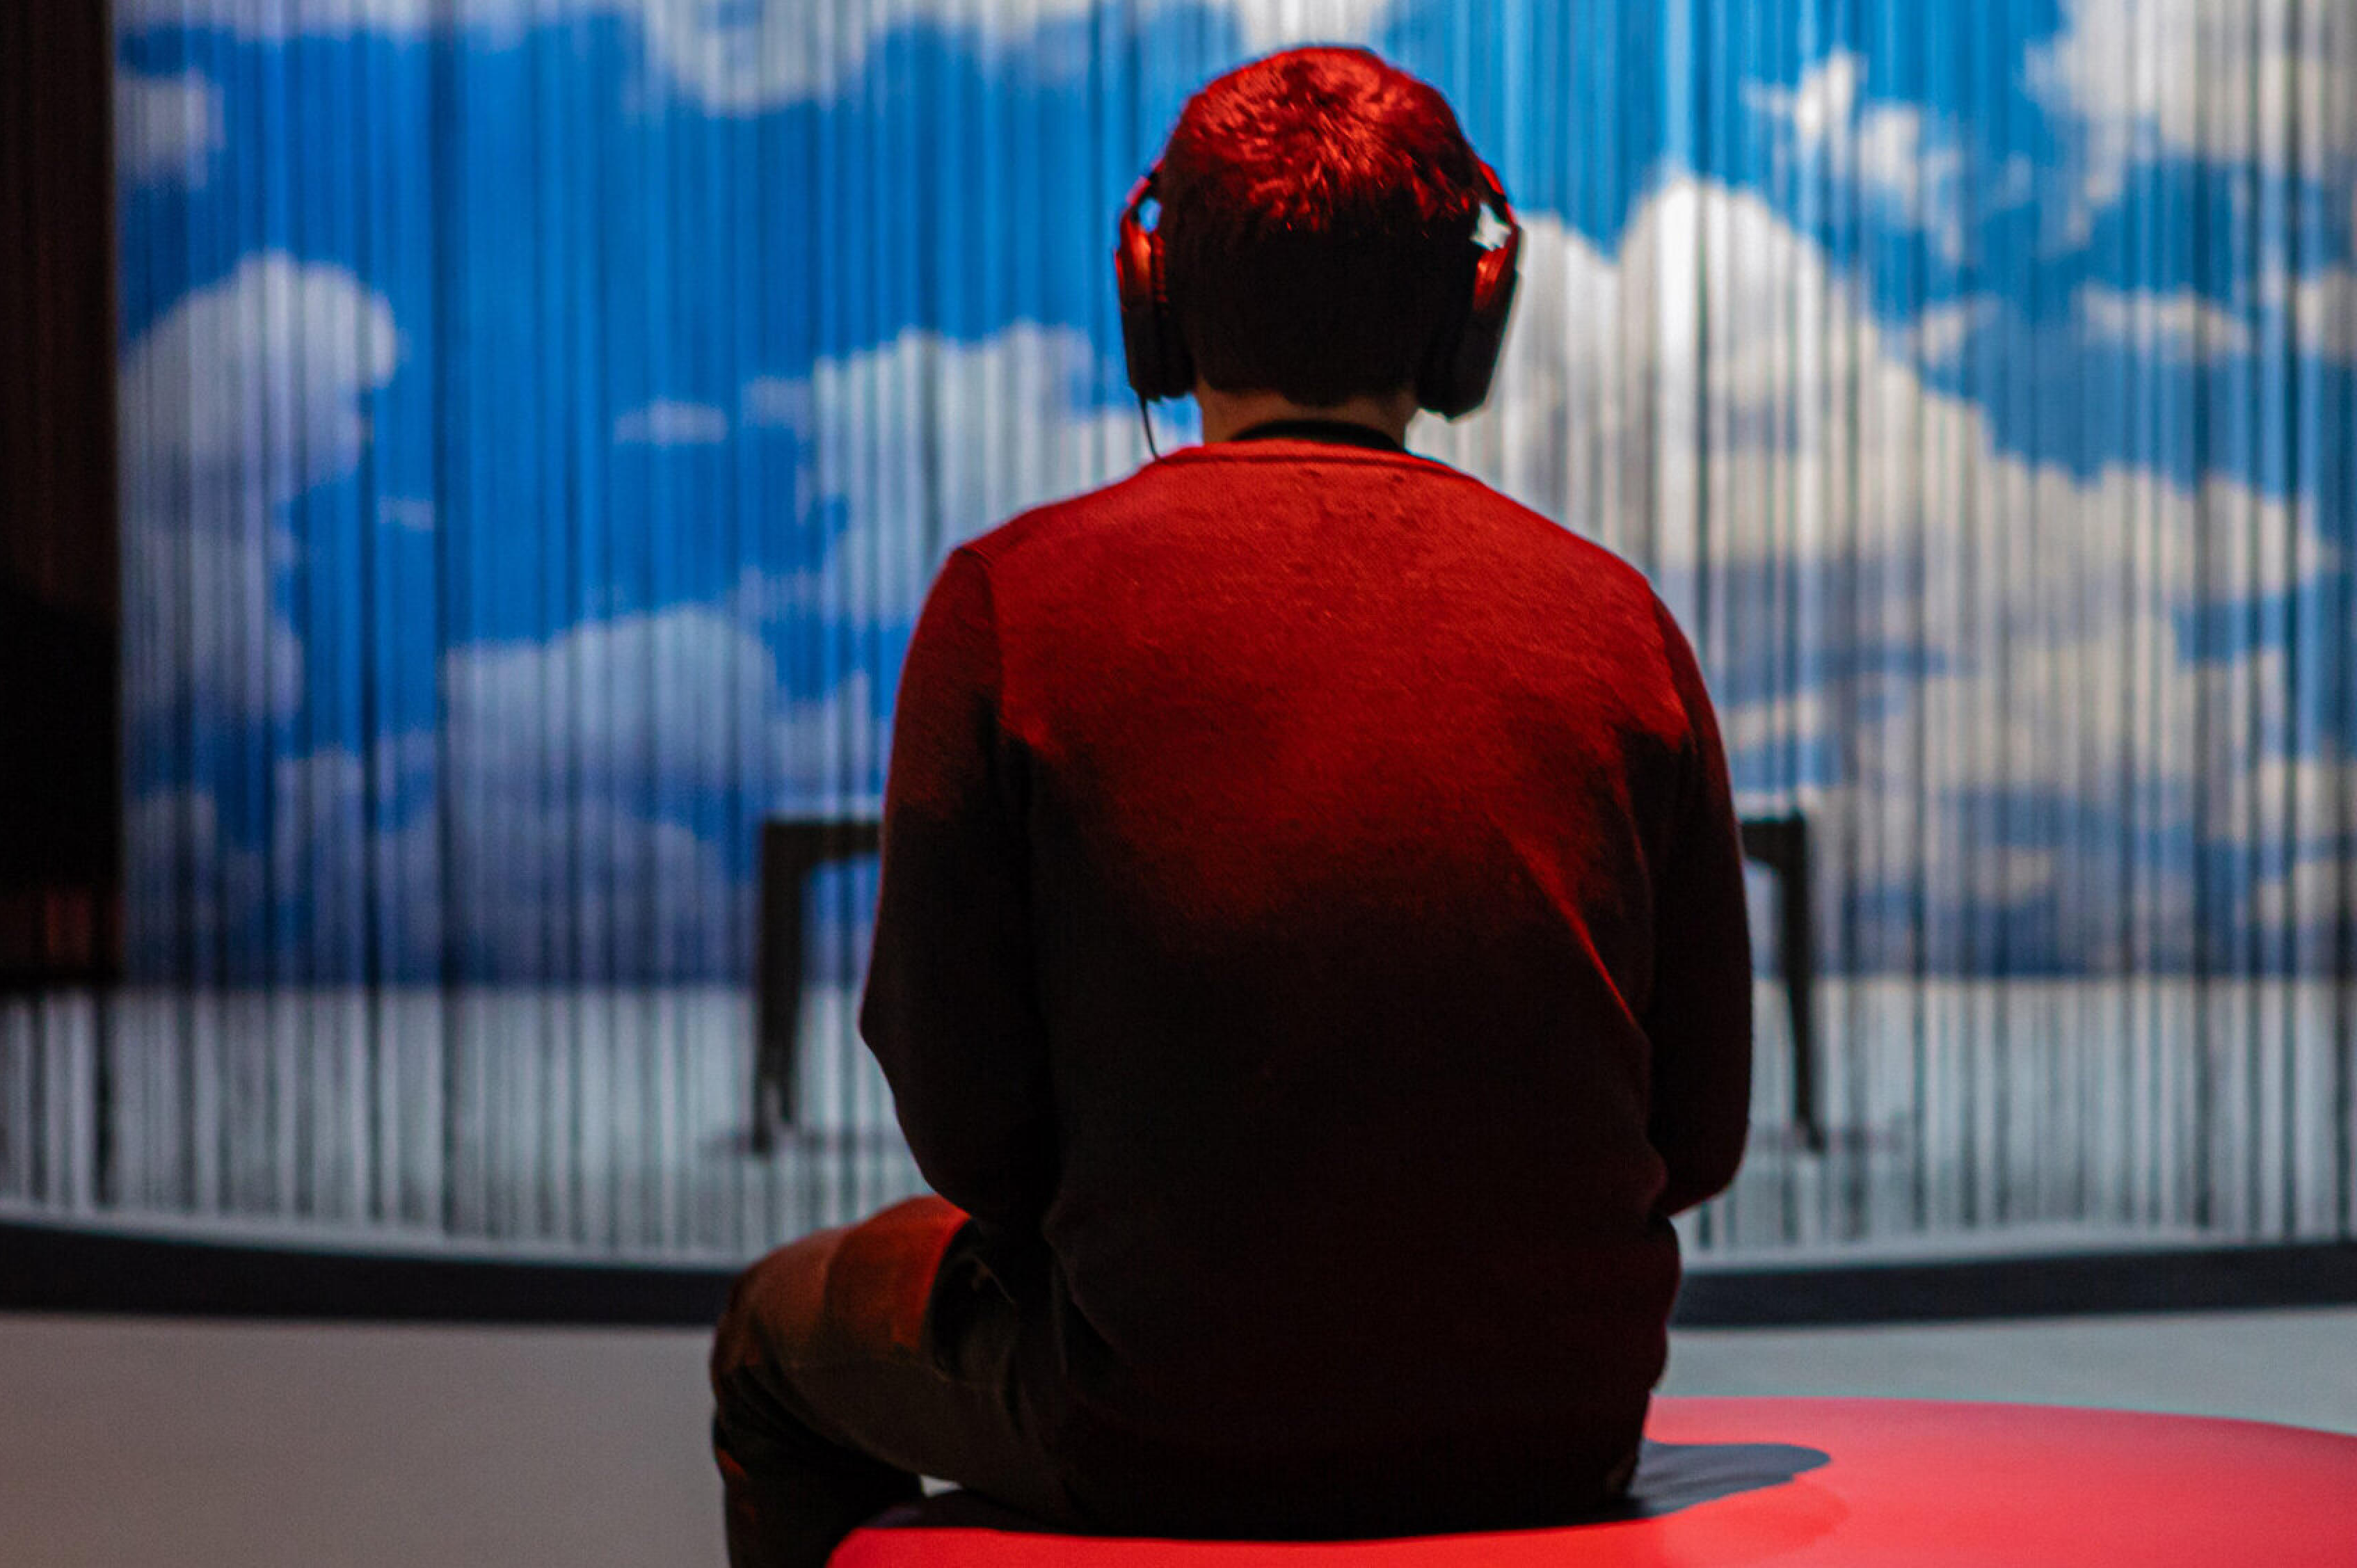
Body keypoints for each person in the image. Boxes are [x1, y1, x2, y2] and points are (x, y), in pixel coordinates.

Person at [709, 46, 1752, 1568]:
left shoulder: (1007, 602)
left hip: (1149, 1425)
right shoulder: (1619, 623)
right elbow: (1698, 1135)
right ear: (1468, 314)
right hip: (1560, 1427)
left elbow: (963, 1123)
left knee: (766, 1339)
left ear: (1154, 300)